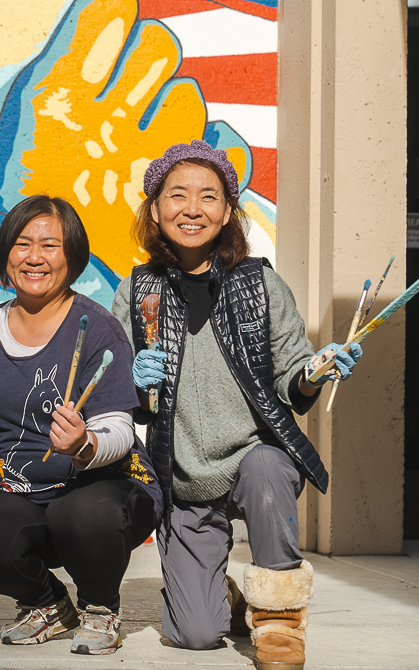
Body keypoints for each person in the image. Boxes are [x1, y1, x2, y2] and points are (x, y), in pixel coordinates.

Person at [112, 140, 362, 670]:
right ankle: (230, 597)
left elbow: (294, 383)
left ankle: (279, 622)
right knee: (196, 635)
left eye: (209, 196)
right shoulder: (136, 292)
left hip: (254, 461)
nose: (193, 208)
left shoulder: (261, 285)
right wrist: (132, 383)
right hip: (182, 480)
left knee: (270, 466)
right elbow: (124, 402)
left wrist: (315, 372)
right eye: (177, 195)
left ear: (227, 212)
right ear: (155, 209)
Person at [0, 195, 162, 656]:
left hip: (105, 489)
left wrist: (84, 444)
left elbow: (121, 431)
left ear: (73, 256)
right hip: (21, 492)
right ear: (5, 253)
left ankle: (101, 607)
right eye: (23, 244)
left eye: (50, 245)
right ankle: (47, 604)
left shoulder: (96, 328)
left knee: (80, 513)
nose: (34, 257)